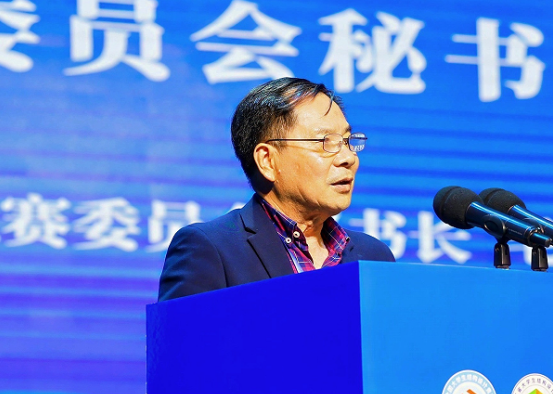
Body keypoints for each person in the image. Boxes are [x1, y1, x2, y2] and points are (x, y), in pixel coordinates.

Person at [158, 77, 394, 300]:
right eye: (326, 142)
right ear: (267, 161)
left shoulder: (374, 256)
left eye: (347, 141)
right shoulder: (210, 249)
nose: (348, 158)